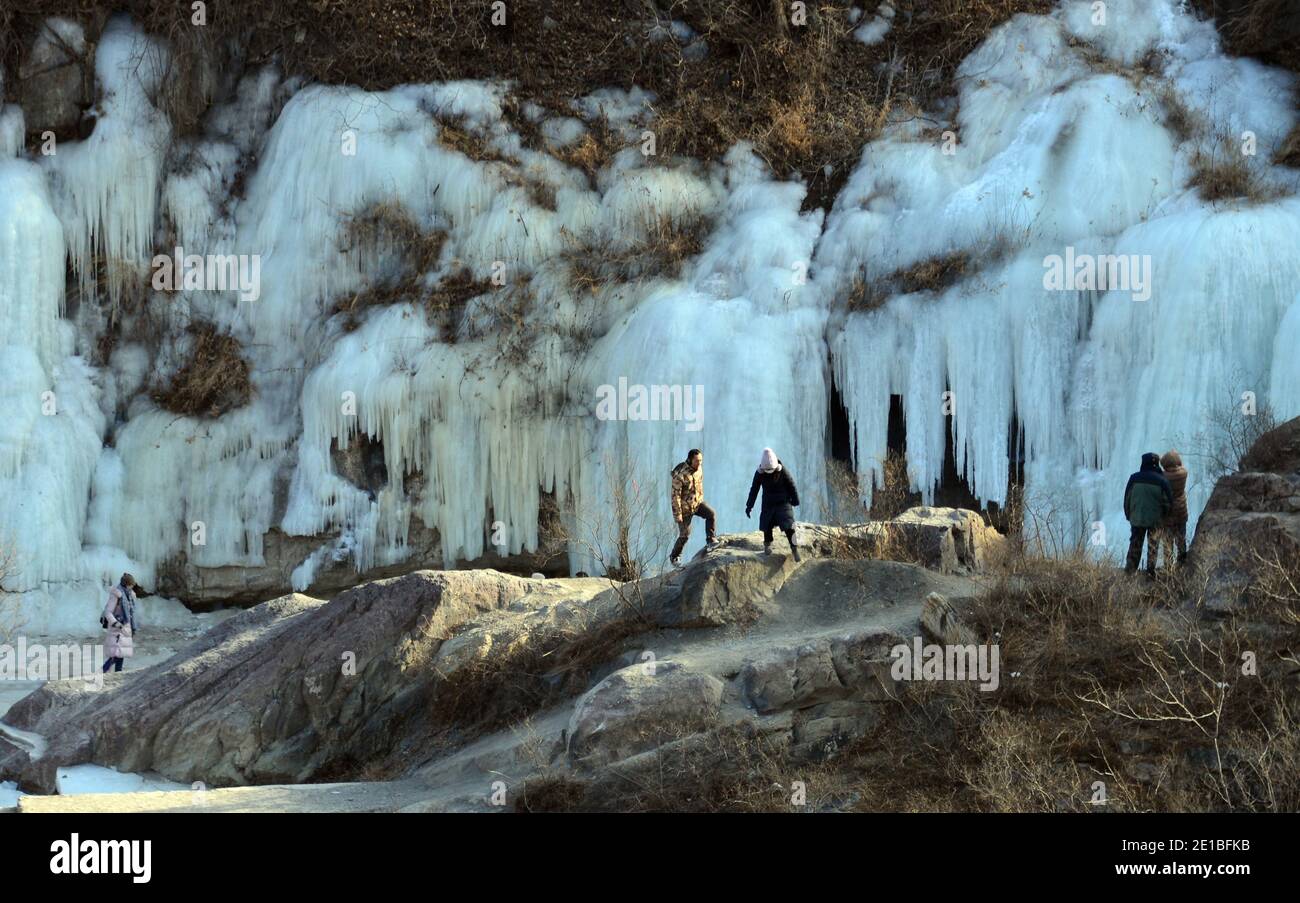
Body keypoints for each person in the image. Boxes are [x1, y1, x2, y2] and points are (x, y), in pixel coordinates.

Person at [745, 447, 802, 561]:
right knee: (785, 526)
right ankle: (785, 547)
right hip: (777, 503)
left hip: (777, 503)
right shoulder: (765, 473)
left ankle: (777, 546)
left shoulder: (775, 471)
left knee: (772, 525)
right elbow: (754, 489)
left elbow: (791, 485)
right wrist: (749, 506)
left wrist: (795, 500)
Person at [1123, 452, 1172, 576]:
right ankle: (1151, 572)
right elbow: (1168, 502)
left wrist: (1129, 515)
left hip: (1137, 518)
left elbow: (1127, 498)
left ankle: (1130, 571)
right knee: (1153, 546)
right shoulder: (1162, 480)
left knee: (1135, 543)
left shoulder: (1134, 478)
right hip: (1155, 520)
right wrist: (1164, 517)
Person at [669, 449, 717, 567]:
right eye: (696, 461)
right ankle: (675, 556)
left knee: (711, 514)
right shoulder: (680, 474)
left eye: (701, 460)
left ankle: (710, 540)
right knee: (685, 534)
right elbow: (675, 496)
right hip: (685, 509)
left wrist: (700, 499)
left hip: (697, 504)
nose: (699, 463)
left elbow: (699, 484)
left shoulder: (699, 469)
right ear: (690, 460)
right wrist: (678, 514)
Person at [1157, 449, 1189, 568]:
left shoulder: (1162, 477)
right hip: (1181, 511)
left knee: (1167, 542)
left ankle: (1168, 566)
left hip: (1168, 514)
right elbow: (1181, 467)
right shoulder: (1184, 473)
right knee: (1181, 539)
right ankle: (1182, 564)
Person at [102, 573, 138, 673]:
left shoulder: (129, 595)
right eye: (131, 584)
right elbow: (108, 612)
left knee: (121, 655)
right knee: (115, 655)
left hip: (125, 628)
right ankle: (102, 671)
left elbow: (131, 613)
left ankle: (118, 673)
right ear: (127, 584)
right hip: (117, 629)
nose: (132, 586)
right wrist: (115, 623)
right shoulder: (116, 595)